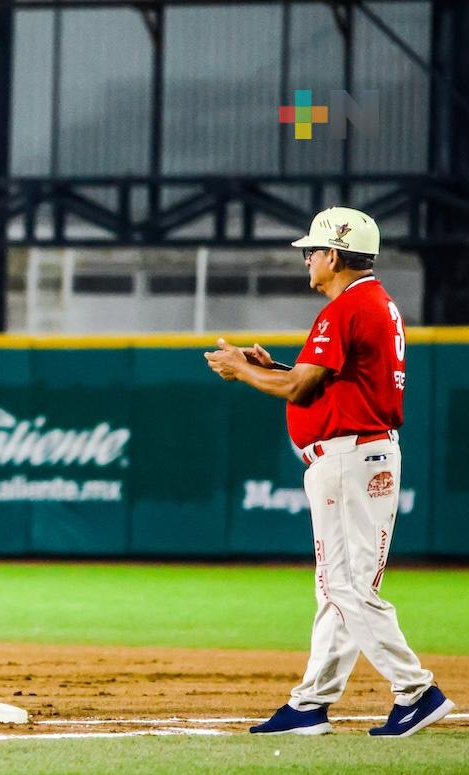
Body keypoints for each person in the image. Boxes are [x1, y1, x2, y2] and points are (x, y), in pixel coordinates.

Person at [204, 206, 455, 738]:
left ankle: (416, 691)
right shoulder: (373, 303)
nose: (307, 260)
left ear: (335, 255)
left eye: (312, 251)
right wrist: (267, 366)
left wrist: (242, 371)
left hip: (349, 457)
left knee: (345, 585)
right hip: (364, 453)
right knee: (338, 588)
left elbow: (302, 390)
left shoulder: (347, 307)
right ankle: (311, 703)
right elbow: (326, 380)